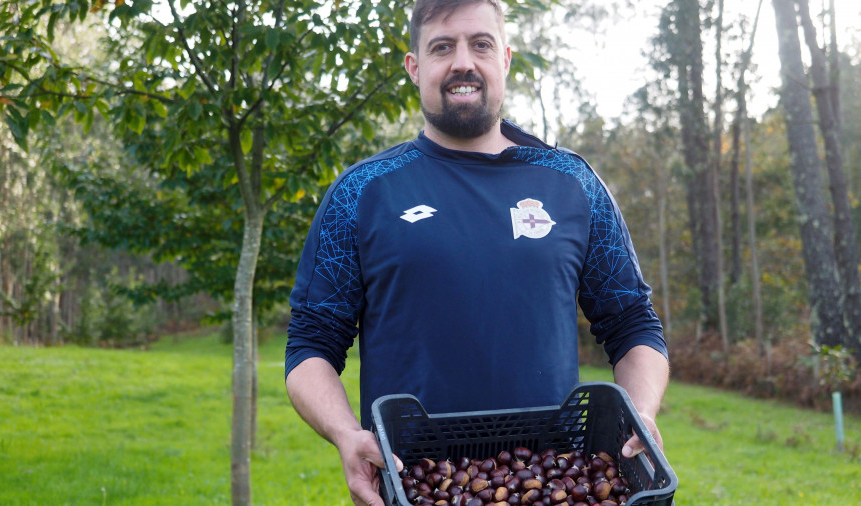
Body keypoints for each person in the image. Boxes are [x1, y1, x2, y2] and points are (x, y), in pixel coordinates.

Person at [284, 1, 670, 504]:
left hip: (556, 484)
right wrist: (344, 434)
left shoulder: (573, 183)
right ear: (415, 67)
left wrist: (638, 412)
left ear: (505, 59)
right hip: (413, 486)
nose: (463, 62)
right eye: (442, 47)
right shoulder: (362, 193)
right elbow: (309, 346)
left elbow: (633, 323)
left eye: (480, 44)